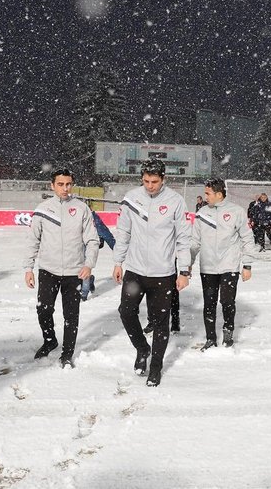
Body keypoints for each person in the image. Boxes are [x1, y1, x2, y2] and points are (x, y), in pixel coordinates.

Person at [113, 158, 191, 387]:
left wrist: (184, 270)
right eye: (146, 181)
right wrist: (118, 262)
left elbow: (183, 239)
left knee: (160, 322)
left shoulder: (176, 201)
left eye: (154, 181)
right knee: (126, 312)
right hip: (135, 270)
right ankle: (142, 348)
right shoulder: (132, 198)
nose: (150, 186)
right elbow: (123, 232)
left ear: (163, 179)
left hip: (163, 273)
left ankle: (155, 367)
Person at [23, 168, 99, 367]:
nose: (65, 188)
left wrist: (89, 264)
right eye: (60, 184)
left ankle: (67, 353)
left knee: (71, 315)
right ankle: (50, 340)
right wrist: (28, 268)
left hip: (74, 272)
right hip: (48, 270)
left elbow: (92, 240)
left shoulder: (82, 208)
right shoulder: (43, 209)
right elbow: (33, 240)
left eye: (68, 184)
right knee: (44, 310)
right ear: (52, 185)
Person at [190, 178, 256, 351]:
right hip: (208, 268)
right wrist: (187, 264)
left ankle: (228, 334)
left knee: (227, 301)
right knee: (209, 304)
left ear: (219, 194)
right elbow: (194, 241)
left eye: (208, 193)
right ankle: (210, 338)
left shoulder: (237, 211)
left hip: (229, 267)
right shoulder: (202, 213)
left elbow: (247, 238)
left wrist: (247, 265)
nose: (205, 197)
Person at [81, 210, 116, 302]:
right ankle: (90, 281)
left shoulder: (93, 218)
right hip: (76, 246)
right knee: (77, 269)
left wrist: (116, 250)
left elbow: (105, 233)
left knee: (85, 266)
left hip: (91, 246)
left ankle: (83, 294)